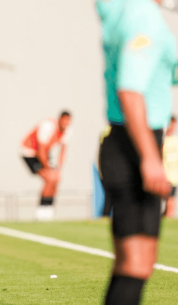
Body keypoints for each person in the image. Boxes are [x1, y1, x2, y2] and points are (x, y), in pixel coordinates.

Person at [97, 0, 175, 304]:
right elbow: (129, 89)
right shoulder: (144, 17)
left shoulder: (125, 10)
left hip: (124, 143)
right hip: (134, 145)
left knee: (133, 262)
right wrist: (150, 158)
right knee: (136, 262)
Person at [20, 111, 72, 221]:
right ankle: (41, 212)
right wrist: (48, 168)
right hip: (30, 152)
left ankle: (49, 209)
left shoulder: (67, 130)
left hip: (43, 154)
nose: (66, 124)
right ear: (60, 119)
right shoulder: (48, 126)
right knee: (49, 178)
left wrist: (58, 169)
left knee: (56, 178)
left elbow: (63, 151)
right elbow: (41, 150)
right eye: (65, 120)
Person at [163, 116, 178, 217]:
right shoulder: (162, 140)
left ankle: (168, 216)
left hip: (172, 176)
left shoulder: (175, 141)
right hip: (162, 175)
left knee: (170, 198)